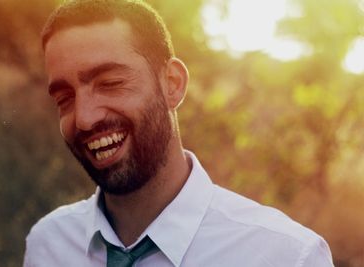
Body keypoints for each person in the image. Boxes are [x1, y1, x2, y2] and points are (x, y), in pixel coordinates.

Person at [24, 0, 334, 266]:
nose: (85, 119)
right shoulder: (48, 244)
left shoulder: (288, 256)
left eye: (110, 83)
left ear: (172, 84)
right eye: (64, 98)